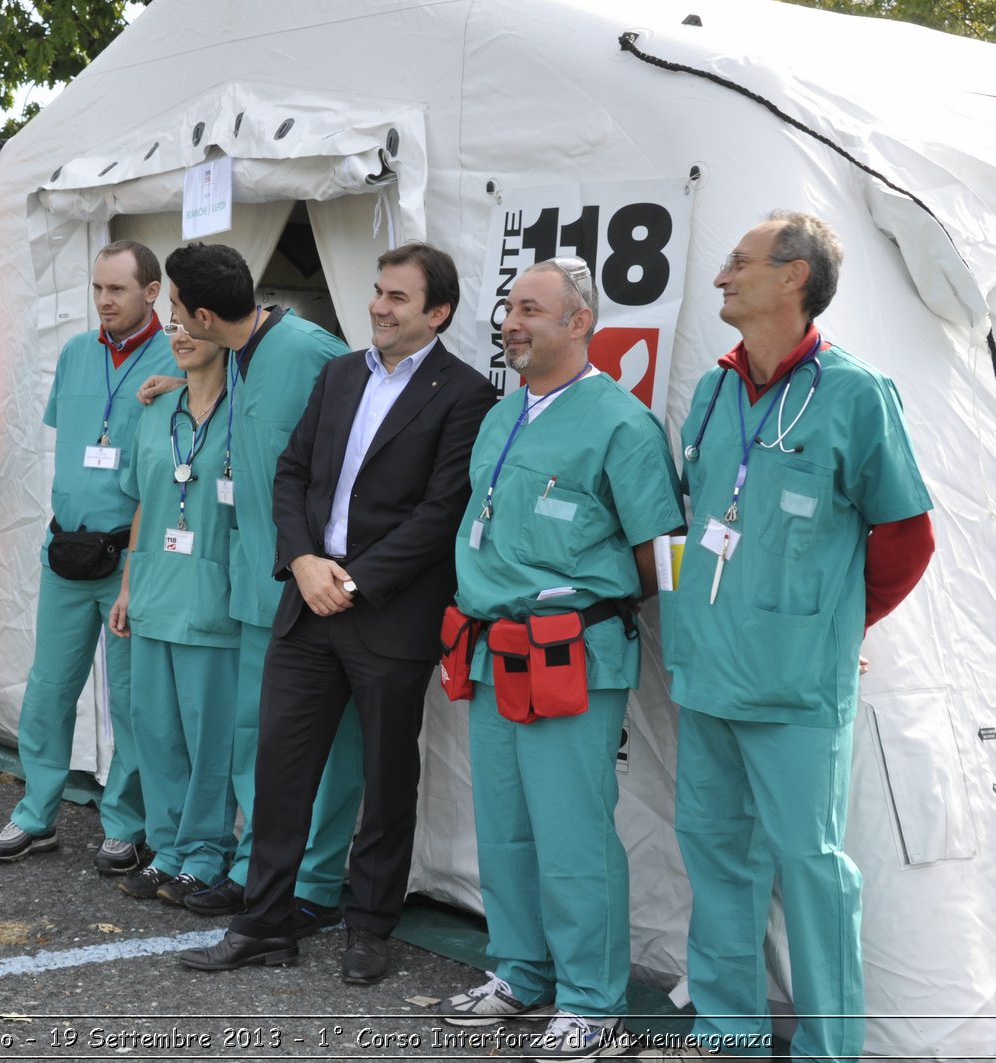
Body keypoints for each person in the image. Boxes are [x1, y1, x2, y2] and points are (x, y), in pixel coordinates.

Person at [642, 212, 934, 1062]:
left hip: (798, 685)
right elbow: (702, 525)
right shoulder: (713, 389)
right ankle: (727, 1030)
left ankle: (828, 1049)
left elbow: (907, 539)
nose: (722, 276)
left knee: (811, 869)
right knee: (716, 858)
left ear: (793, 277)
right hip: (705, 673)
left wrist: (841, 624)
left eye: (739, 262)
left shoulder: (855, 393)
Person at [178, 243, 495, 982]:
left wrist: (350, 580)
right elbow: (291, 473)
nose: (379, 307)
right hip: (306, 605)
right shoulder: (340, 372)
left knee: (387, 780)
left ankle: (371, 925)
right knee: (281, 767)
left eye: (398, 298)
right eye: (378, 291)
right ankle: (263, 922)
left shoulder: (465, 394)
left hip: (387, 616)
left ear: (438, 312)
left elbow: (440, 512)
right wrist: (303, 561)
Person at [436, 257, 682, 1062]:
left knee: (573, 833)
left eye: (532, 309)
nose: (512, 321)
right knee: (502, 825)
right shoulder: (503, 416)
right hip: (489, 647)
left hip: (571, 654)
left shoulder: (621, 422)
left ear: (580, 324)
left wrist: (590, 608)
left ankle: (591, 1000)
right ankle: (520, 970)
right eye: (509, 307)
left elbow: (660, 555)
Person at [147, 242, 362, 932]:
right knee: (254, 739)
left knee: (325, 752)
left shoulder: (309, 350)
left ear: (204, 313)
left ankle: (316, 880)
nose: (170, 321)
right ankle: (253, 868)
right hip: (253, 584)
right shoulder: (236, 355)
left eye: (175, 308)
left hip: (314, 590)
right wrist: (177, 386)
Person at [0, 241, 174, 868]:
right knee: (48, 689)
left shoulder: (179, 357)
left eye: (117, 289)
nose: (104, 301)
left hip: (128, 561)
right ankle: (37, 813)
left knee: (131, 700)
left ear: (152, 292)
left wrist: (176, 386)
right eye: (97, 288)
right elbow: (75, 446)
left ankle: (126, 821)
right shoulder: (73, 354)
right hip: (66, 551)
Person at [107, 327, 238, 903]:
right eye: (175, 321)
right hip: (155, 587)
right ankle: (167, 847)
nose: (181, 334)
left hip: (212, 593)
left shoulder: (247, 409)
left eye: (194, 321)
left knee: (209, 733)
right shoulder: (155, 407)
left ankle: (207, 850)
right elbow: (144, 502)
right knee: (155, 728)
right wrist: (128, 587)